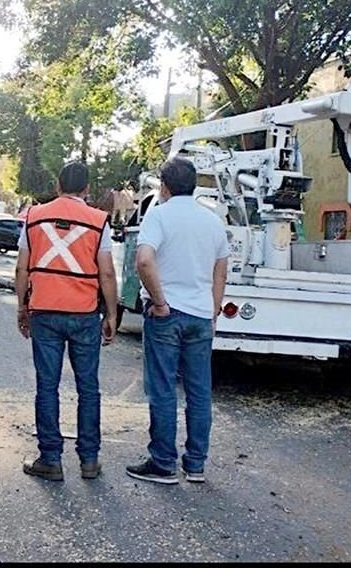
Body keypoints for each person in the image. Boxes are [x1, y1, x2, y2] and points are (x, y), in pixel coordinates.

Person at [126, 158, 229, 485]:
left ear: (165, 186)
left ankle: (163, 463)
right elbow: (220, 271)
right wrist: (212, 313)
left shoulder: (158, 215)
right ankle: (196, 465)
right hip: (200, 315)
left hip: (166, 315)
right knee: (199, 391)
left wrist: (160, 301)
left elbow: (144, 260)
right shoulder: (213, 222)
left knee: (163, 388)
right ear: (195, 185)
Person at [15, 161, 118, 482]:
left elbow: (21, 268)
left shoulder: (34, 216)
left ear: (58, 185)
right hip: (85, 314)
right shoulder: (99, 221)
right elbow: (107, 272)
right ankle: (89, 460)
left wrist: (22, 307)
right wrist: (112, 313)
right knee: (88, 388)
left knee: (47, 386)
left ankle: (51, 459)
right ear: (87, 189)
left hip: (44, 313)